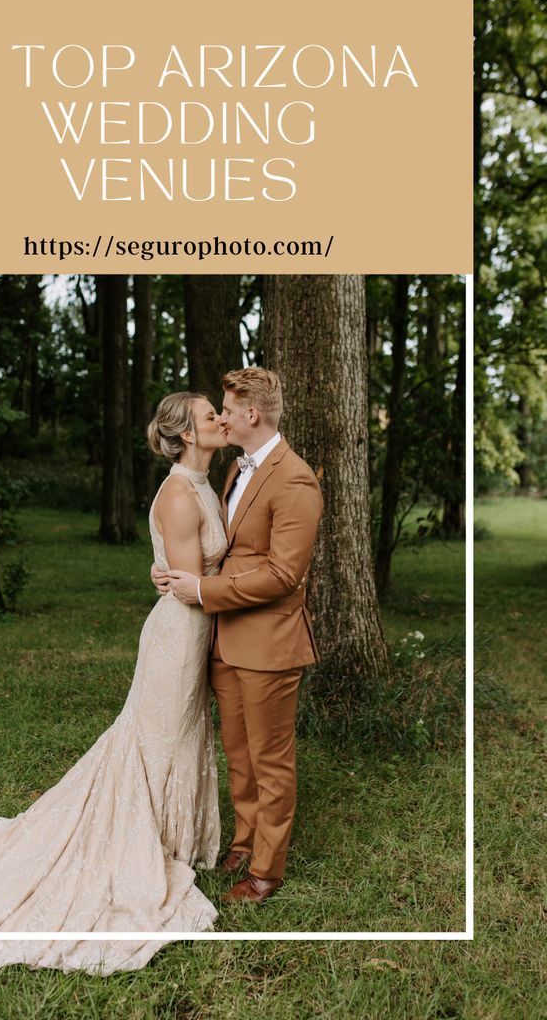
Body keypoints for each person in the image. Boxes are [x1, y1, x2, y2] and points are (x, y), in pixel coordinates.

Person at [0, 391, 228, 975]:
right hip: (177, 640)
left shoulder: (204, 485)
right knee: (159, 742)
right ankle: (144, 845)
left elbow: (189, 570)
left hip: (196, 633)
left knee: (179, 738)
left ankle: (174, 839)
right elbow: (190, 586)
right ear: (188, 435)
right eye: (209, 416)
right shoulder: (178, 495)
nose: (220, 420)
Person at [152, 367, 323, 905]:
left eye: (226, 408)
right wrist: (169, 571)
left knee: (271, 760)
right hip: (225, 638)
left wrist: (202, 590)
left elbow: (282, 574)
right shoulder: (231, 472)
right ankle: (245, 840)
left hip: (270, 642)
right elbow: (221, 546)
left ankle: (266, 871)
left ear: (251, 414)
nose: (222, 417)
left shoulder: (295, 479)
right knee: (238, 752)